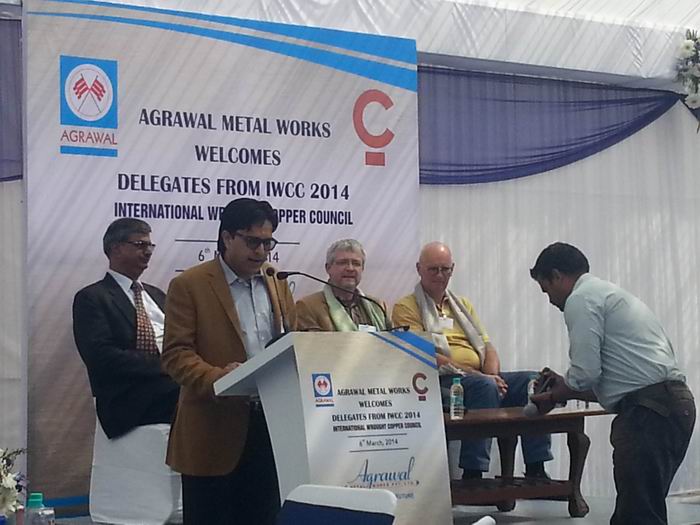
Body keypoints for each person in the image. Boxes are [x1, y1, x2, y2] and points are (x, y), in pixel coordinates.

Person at [529, 242, 696, 525]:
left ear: (557, 276)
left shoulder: (580, 299)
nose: (550, 301)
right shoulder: (609, 294)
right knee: (638, 509)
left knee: (638, 515)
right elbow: (616, 383)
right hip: (671, 405)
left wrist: (555, 394)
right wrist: (565, 387)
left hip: (647, 414)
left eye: (547, 290)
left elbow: (585, 373)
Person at [162, 198, 296, 525]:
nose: (261, 251)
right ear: (226, 237)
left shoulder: (277, 282)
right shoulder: (190, 284)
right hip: (213, 428)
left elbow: (290, 340)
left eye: (268, 243)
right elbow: (176, 354)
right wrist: (219, 378)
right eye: (252, 242)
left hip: (271, 425)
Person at [392, 241, 552, 479]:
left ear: (452, 269)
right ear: (419, 269)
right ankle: (473, 472)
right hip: (441, 381)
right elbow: (424, 355)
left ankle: (536, 468)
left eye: (445, 269)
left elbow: (487, 346)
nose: (439, 275)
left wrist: (493, 376)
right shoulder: (406, 307)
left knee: (533, 381)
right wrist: (482, 377)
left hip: (480, 377)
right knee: (484, 386)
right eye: (433, 269)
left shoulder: (462, 305)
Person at [73, 218, 179, 439]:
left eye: (150, 246)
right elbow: (102, 357)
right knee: (198, 396)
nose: (148, 252)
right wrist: (168, 366)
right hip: (127, 397)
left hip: (172, 382)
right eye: (140, 245)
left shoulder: (157, 295)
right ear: (116, 248)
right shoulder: (92, 297)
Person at [296, 239, 389, 332]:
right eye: (343, 263)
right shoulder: (308, 306)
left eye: (356, 263)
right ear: (328, 268)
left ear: (362, 269)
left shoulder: (377, 306)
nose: (350, 268)